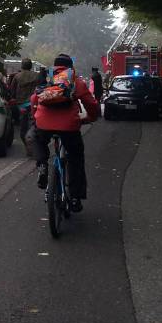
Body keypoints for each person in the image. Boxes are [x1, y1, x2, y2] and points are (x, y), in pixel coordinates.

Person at [32, 54, 100, 212]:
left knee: (36, 138)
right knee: (76, 157)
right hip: (69, 126)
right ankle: (75, 198)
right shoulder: (75, 80)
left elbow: (34, 99)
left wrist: (34, 116)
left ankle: (42, 164)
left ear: (54, 65)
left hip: (43, 124)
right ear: (70, 67)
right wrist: (91, 117)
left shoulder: (47, 78)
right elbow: (91, 103)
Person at [11, 58, 40, 156]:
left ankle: (28, 148)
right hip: (34, 104)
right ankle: (35, 146)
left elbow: (12, 91)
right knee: (35, 125)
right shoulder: (37, 76)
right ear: (31, 66)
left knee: (23, 128)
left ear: (22, 66)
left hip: (21, 105)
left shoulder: (17, 76)